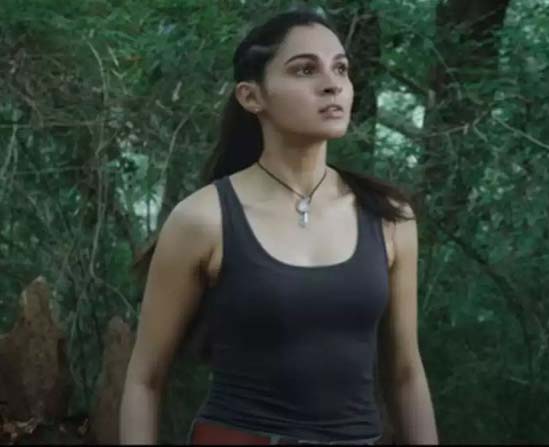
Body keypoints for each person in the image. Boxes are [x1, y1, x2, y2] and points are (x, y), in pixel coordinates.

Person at [119, 6, 438, 445]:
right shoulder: (202, 219)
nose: (332, 83)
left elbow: (405, 373)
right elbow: (145, 378)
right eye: (305, 69)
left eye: (340, 69)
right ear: (252, 97)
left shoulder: (388, 216)